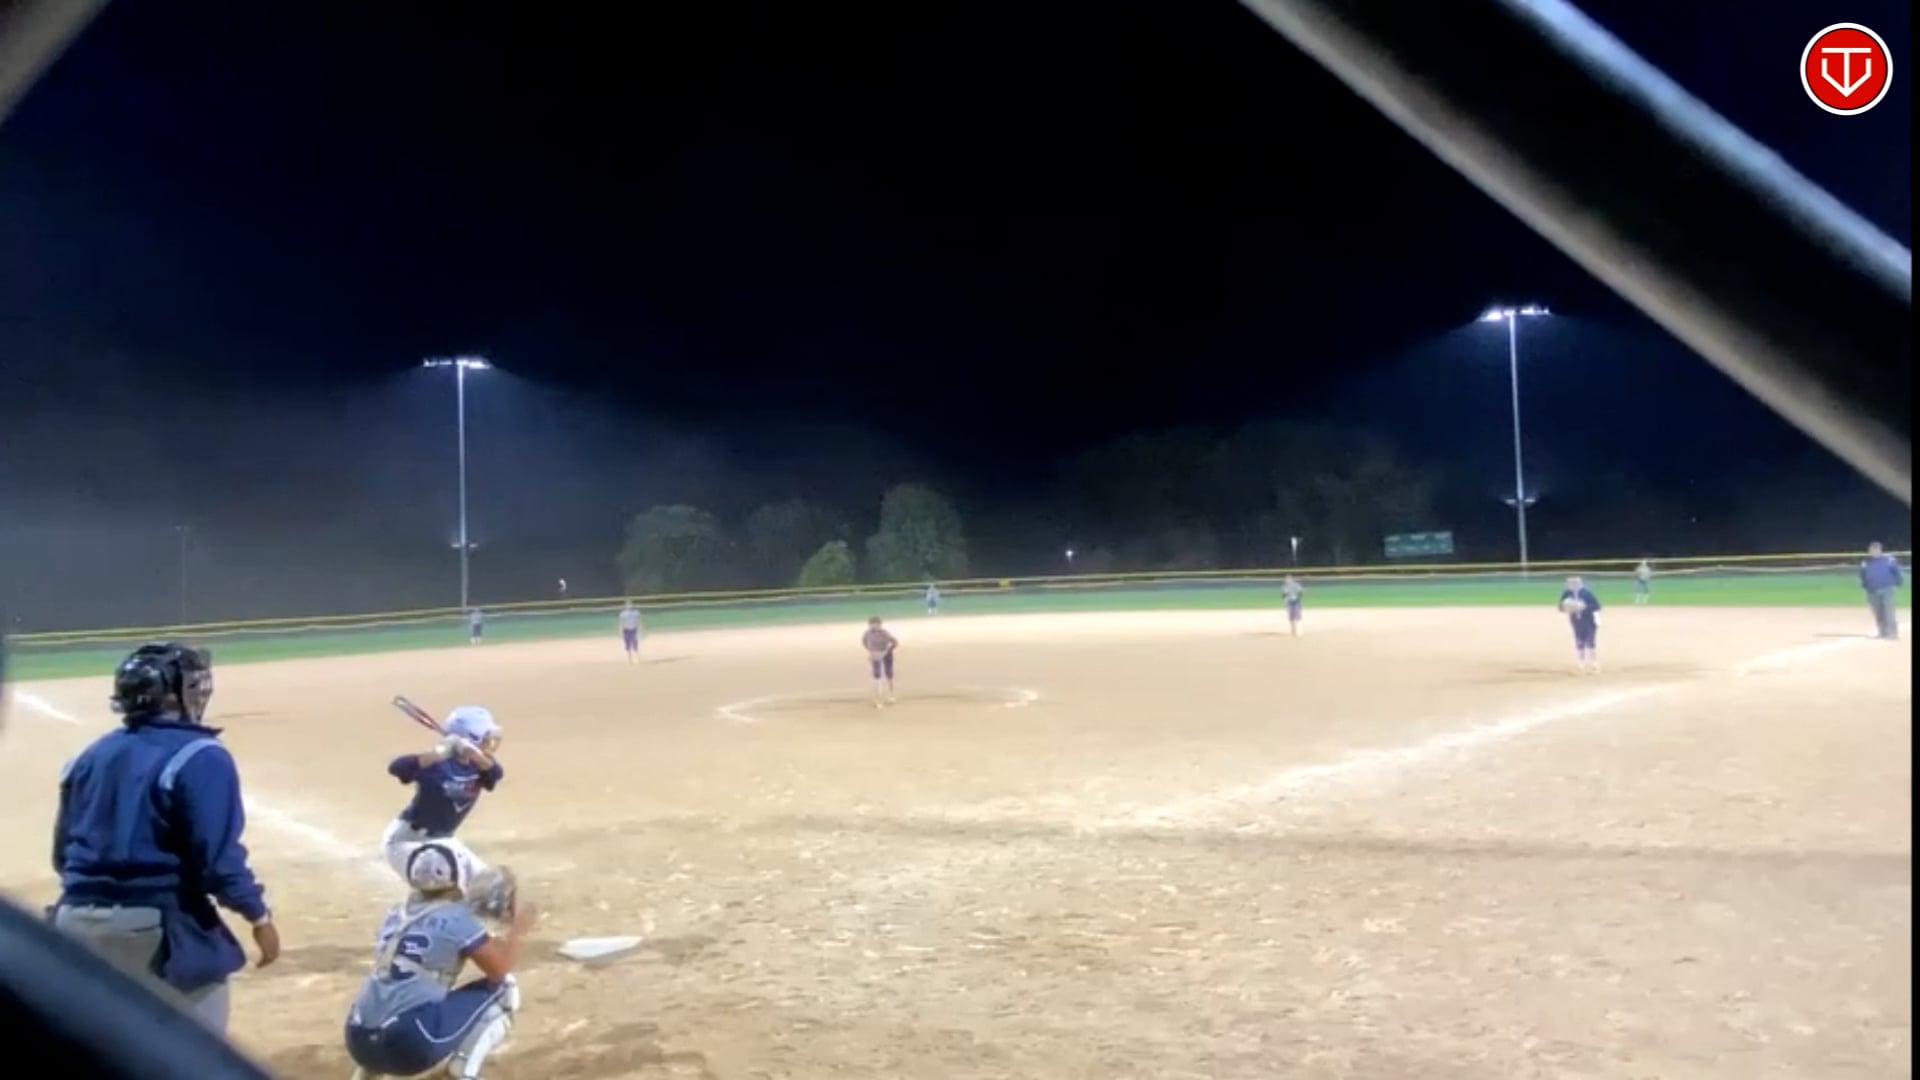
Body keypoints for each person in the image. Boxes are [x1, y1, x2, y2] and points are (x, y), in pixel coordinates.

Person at [50, 641, 280, 1035]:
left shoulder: (87, 757)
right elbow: (218, 862)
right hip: (155, 928)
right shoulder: (200, 755)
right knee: (195, 1049)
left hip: (72, 925)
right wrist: (257, 916)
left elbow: (62, 855)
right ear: (179, 694)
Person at [344, 843, 536, 1080]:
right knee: (504, 989)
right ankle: (463, 1072)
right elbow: (499, 969)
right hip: (408, 1045)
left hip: (357, 1042)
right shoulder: (457, 919)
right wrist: (518, 929)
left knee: (391, 998)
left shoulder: (395, 914)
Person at [380, 706, 517, 921]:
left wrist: (473, 753)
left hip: (444, 840)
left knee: (492, 889)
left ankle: (488, 933)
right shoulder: (436, 766)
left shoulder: (478, 766)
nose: (489, 743)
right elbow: (397, 767)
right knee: (449, 895)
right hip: (408, 841)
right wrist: (440, 752)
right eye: (484, 738)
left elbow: (495, 774)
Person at [1557, 575, 1604, 674]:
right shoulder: (1567, 593)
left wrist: (1583, 607)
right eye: (1569, 584)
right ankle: (1581, 664)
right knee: (1579, 642)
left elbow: (1597, 606)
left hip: (1589, 620)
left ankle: (1594, 664)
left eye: (1573, 584)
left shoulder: (1586, 593)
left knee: (1590, 642)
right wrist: (1567, 607)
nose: (1570, 586)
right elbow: (1560, 607)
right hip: (1576, 621)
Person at [1860, 541, 1904, 640]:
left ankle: (1892, 633)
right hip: (1872, 590)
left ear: (1880, 550)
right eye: (1872, 550)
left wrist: (1898, 584)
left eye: (1876, 549)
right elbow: (1862, 575)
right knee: (1878, 612)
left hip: (1887, 589)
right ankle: (1882, 632)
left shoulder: (1889, 560)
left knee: (1889, 611)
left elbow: (1897, 572)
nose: (1873, 551)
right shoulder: (1866, 562)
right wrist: (1865, 586)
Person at [862, 616, 899, 708]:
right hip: (875, 655)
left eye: (874, 624)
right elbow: (864, 642)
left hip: (886, 654)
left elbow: (895, 642)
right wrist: (871, 651)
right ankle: (878, 698)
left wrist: (887, 651)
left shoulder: (884, 633)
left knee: (889, 674)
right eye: (870, 624)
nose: (872, 626)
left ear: (879, 625)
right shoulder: (867, 633)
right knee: (877, 676)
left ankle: (891, 695)